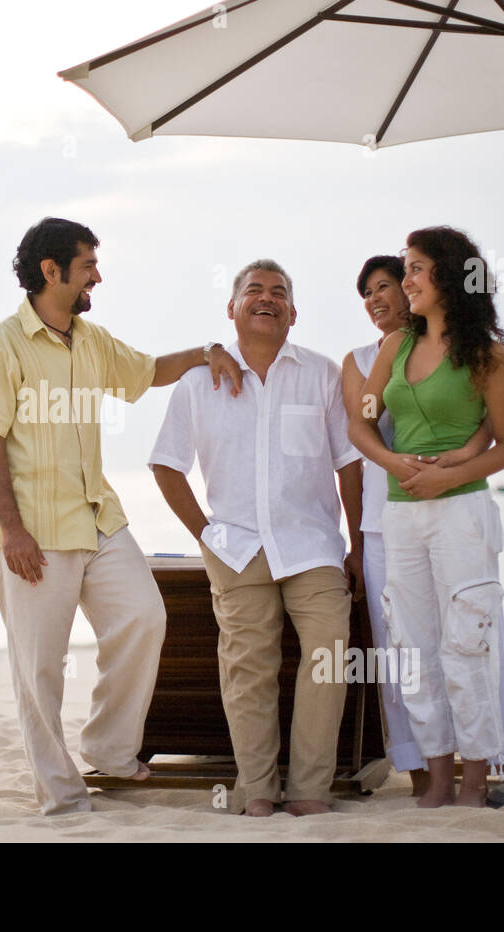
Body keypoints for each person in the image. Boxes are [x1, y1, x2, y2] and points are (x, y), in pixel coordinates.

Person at [0, 216, 244, 815]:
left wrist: (207, 351)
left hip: (99, 517)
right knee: (38, 670)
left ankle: (110, 747)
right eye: (89, 265)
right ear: (51, 271)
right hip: (34, 531)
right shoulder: (0, 345)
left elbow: (147, 372)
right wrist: (11, 530)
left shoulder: (91, 341)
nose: (98, 276)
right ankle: (61, 795)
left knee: (143, 618)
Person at [149, 260, 363, 817]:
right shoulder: (199, 382)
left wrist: (356, 543)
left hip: (313, 545)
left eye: (279, 293)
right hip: (235, 547)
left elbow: (349, 466)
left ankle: (311, 790)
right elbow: (167, 465)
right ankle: (259, 790)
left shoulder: (320, 375)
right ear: (232, 308)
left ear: (293, 312)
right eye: (254, 290)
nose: (266, 298)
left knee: (330, 657)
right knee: (248, 667)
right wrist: (205, 534)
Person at [348, 226, 504, 807]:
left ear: (449, 275)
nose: (406, 282)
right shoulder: (397, 346)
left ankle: (475, 780)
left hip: (463, 515)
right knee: (414, 651)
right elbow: (361, 422)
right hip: (401, 518)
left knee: (466, 645)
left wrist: (449, 473)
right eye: (406, 270)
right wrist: (396, 463)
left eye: (416, 269)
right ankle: (439, 777)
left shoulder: (487, 355)